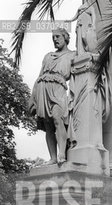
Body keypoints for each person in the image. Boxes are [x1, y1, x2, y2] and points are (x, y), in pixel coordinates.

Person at [29, 28, 76, 165]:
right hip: (42, 88)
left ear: (65, 38)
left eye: (57, 37)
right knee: (48, 124)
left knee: (57, 118)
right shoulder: (48, 56)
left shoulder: (73, 55)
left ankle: (62, 153)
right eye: (53, 38)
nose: (55, 39)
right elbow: (39, 76)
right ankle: (53, 158)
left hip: (58, 87)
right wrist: (33, 97)